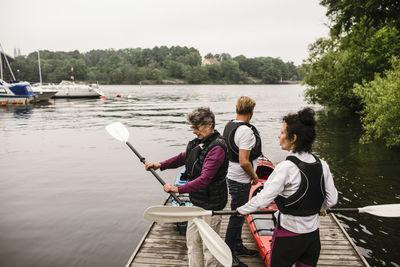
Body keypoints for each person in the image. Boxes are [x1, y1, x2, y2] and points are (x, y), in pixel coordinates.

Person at [237, 107, 338, 267]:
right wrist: (320, 207)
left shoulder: (286, 167)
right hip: (312, 237)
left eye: (283, 132)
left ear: (294, 138)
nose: (279, 135)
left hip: (288, 237)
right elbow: (332, 199)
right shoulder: (322, 164)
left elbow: (264, 198)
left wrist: (243, 209)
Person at [145, 107, 229, 267]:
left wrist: (177, 189)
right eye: (193, 127)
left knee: (209, 250)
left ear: (209, 125)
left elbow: (205, 179)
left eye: (197, 128)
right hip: (197, 203)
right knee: (192, 243)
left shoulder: (217, 148)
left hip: (211, 205)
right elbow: (184, 157)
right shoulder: (200, 142)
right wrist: (160, 165)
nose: (194, 132)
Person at [223, 96, 262, 267]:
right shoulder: (246, 131)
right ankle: (228, 255)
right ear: (251, 111)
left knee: (239, 213)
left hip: (231, 175)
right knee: (237, 216)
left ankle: (237, 245)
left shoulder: (230, 124)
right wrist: (254, 176)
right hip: (240, 179)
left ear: (237, 108)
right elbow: (244, 161)